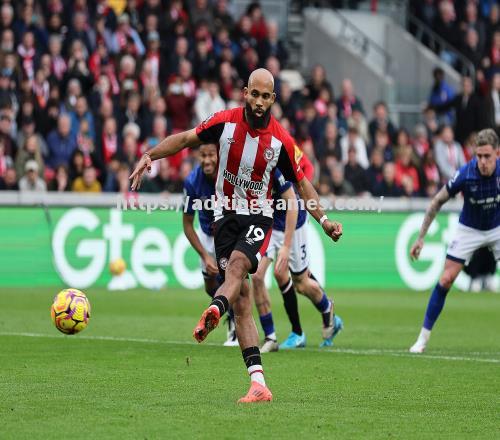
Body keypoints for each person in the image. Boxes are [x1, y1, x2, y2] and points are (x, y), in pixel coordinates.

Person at [129, 68, 343, 403]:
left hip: (259, 215)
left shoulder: (281, 142)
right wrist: (149, 155)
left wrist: (325, 219)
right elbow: (186, 139)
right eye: (254, 94)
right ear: (245, 93)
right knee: (242, 300)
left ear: (272, 99)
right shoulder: (224, 122)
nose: (259, 102)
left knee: (239, 267)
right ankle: (258, 383)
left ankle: (214, 308)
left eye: (265, 96)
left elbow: (301, 184)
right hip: (223, 216)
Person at [409, 129, 499, 353]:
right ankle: (422, 339)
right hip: (469, 228)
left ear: (497, 153)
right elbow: (437, 201)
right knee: (446, 279)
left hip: (497, 227)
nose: (482, 162)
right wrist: (421, 238)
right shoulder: (465, 174)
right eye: (478, 156)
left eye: (487, 156)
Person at [252, 168, 343, 352]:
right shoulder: (249, 156)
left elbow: (302, 185)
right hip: (268, 222)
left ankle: (327, 308)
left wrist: (285, 246)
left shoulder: (282, 156)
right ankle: (273, 336)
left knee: (300, 283)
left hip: (293, 223)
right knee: (257, 275)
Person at [182, 143, 238, 347]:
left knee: (232, 282)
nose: (206, 160)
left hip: (230, 234)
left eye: (211, 155)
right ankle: (228, 310)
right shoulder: (192, 182)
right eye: (202, 155)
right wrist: (205, 256)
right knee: (210, 286)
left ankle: (235, 322)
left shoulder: (230, 175)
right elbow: (187, 225)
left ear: (219, 154)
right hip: (207, 236)